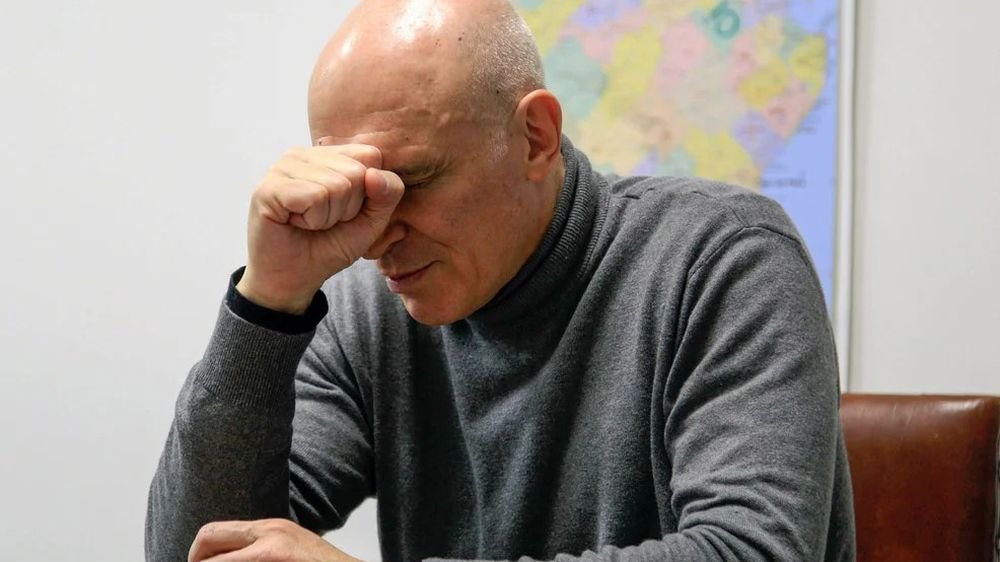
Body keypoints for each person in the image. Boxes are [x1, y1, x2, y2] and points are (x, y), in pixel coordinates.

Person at [146, 0, 856, 560]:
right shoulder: (369, 312)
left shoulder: (722, 262)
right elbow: (198, 551)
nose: (376, 239)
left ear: (535, 137)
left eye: (411, 182)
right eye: (356, 193)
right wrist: (268, 301)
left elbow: (750, 551)